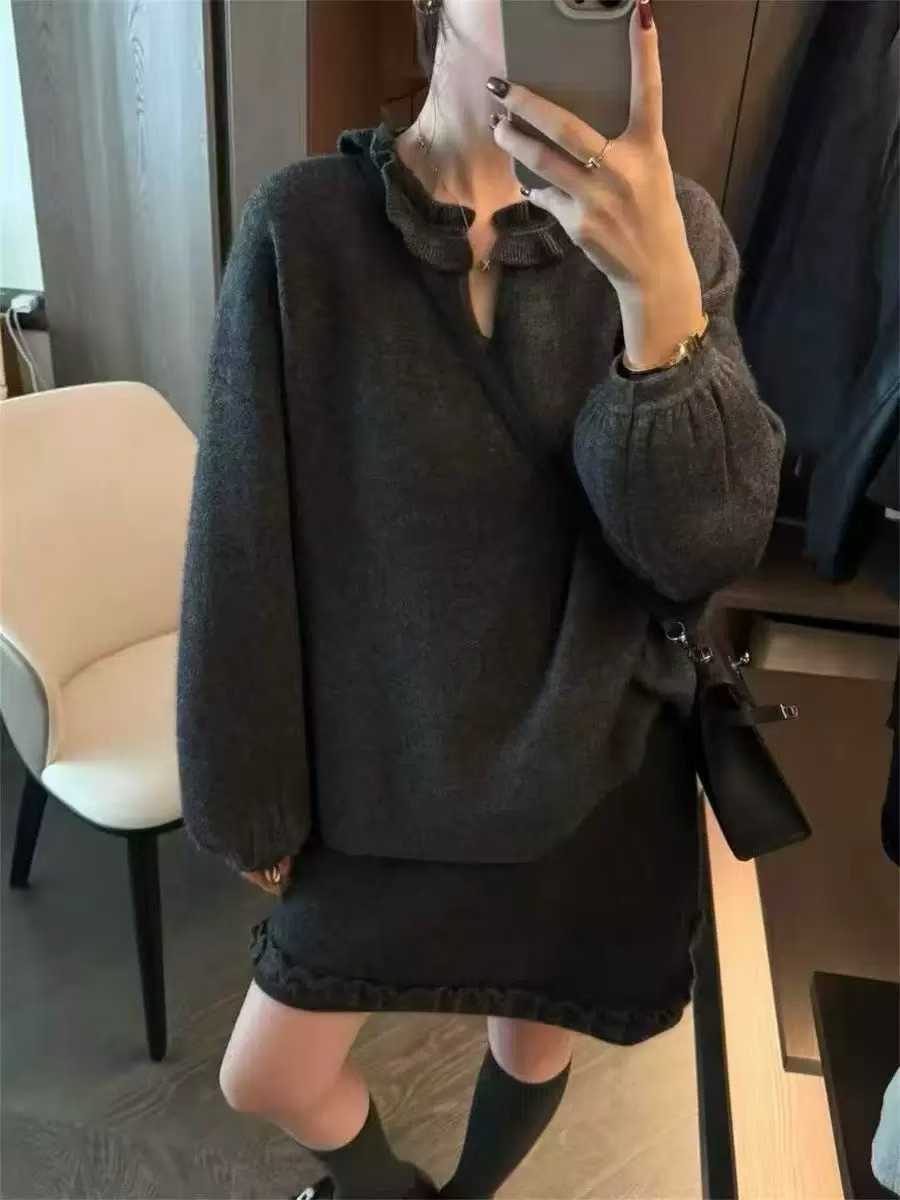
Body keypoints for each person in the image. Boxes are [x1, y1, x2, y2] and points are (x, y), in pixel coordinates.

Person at [175, 0, 787, 1197]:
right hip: (385, 782)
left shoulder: (677, 230)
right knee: (269, 1073)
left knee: (534, 1032)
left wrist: (656, 297)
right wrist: (250, 795)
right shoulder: (307, 232)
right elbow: (243, 538)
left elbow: (700, 552)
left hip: (593, 770)